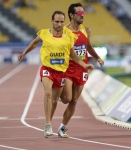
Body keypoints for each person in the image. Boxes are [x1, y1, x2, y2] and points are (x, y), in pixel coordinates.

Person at [18, 10, 94, 138]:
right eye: (57, 21)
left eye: (62, 22)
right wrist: (24, 53)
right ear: (52, 21)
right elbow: (34, 43)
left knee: (65, 99)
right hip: (47, 69)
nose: (59, 24)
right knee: (48, 93)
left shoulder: (69, 35)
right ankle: (48, 125)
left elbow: (73, 55)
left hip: (61, 72)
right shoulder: (44, 33)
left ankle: (56, 101)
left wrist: (84, 64)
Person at [56, 3, 104, 138]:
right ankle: (59, 92)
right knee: (66, 98)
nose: (82, 15)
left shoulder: (86, 30)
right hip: (68, 68)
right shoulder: (64, 31)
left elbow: (88, 47)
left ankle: (62, 127)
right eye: (79, 13)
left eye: (83, 13)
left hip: (82, 69)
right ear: (71, 15)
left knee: (74, 101)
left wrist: (98, 57)